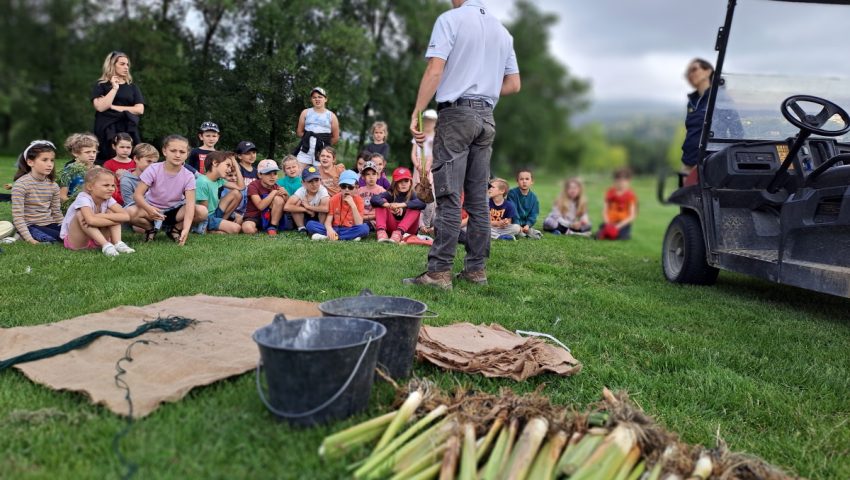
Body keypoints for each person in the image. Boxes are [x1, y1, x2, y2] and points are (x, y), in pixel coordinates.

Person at [406, 0, 521, 289]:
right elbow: (514, 84)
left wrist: (418, 110)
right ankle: (475, 271)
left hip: (457, 115)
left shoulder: (451, 19)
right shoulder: (503, 32)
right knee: (478, 200)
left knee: (447, 194)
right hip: (486, 118)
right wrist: (483, 87)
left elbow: (435, 69)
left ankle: (438, 273)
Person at [132, 135, 206, 245]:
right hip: (152, 209)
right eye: (173, 151)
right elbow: (137, 195)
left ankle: (174, 229)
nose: (177, 155)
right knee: (129, 212)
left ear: (187, 154)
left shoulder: (189, 176)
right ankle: (150, 229)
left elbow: (190, 206)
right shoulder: (153, 169)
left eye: (182, 152)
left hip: (174, 211)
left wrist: (185, 228)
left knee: (202, 211)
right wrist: (149, 209)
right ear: (165, 151)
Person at [60, 167, 134, 256]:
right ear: (90, 187)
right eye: (106, 185)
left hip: (96, 238)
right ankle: (106, 245)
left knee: (112, 212)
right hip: (79, 241)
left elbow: (126, 216)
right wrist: (114, 220)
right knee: (80, 215)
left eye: (113, 185)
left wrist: (101, 216)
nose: (111, 189)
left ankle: (118, 243)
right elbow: (90, 221)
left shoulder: (107, 198)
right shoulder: (83, 198)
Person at [91, 51, 144, 164]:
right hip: (106, 127)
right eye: (122, 64)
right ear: (112, 65)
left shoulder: (132, 87)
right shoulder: (101, 85)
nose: (126, 67)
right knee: (106, 159)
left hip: (127, 126)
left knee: (131, 158)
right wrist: (114, 88)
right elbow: (100, 107)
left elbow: (140, 109)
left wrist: (114, 107)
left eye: (127, 64)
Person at [11, 140, 63, 244]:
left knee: (69, 234)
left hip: (48, 223)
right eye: (44, 160)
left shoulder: (53, 186)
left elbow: (56, 212)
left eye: (52, 160)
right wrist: (30, 240)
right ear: (30, 162)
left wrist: (65, 226)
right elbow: (18, 217)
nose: (50, 164)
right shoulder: (21, 185)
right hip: (30, 225)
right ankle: (22, 235)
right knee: (55, 239)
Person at [307, 170, 369, 241]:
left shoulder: (359, 200)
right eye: (343, 186)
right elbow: (328, 221)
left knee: (364, 228)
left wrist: (353, 205)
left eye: (350, 187)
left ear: (356, 188)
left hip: (350, 228)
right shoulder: (334, 199)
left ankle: (329, 237)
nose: (346, 190)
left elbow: (359, 223)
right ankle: (348, 237)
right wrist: (330, 230)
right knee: (310, 224)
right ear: (339, 187)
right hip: (335, 228)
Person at [373, 167, 426, 244]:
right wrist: (389, 205)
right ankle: (381, 232)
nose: (403, 183)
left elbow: (423, 203)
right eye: (400, 181)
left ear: (410, 182)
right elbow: (374, 199)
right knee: (381, 202)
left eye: (406, 181)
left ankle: (398, 233)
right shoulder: (390, 193)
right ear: (395, 183)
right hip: (392, 227)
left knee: (416, 206)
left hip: (408, 230)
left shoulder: (413, 194)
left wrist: (401, 205)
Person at [195, 151, 244, 235]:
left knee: (237, 193)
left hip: (214, 212)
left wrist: (235, 163)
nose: (229, 170)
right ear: (215, 163)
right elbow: (204, 211)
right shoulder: (202, 182)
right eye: (227, 165)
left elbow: (241, 187)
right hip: (207, 217)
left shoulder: (219, 180)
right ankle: (210, 230)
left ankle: (221, 222)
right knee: (236, 228)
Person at [294, 87, 340, 169]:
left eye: (320, 97)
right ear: (311, 99)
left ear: (325, 99)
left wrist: (324, 144)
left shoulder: (331, 116)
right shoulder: (305, 112)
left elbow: (335, 138)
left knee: (320, 177)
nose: (317, 99)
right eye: (314, 97)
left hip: (322, 150)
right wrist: (309, 139)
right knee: (297, 173)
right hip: (306, 148)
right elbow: (299, 132)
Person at [242, 159, 287, 235]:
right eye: (268, 173)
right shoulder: (253, 185)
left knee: (279, 199)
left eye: (275, 173)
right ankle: (259, 229)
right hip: (254, 216)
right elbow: (260, 206)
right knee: (248, 228)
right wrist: (273, 192)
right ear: (260, 175)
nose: (272, 176)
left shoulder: (277, 186)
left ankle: (273, 227)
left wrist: (286, 195)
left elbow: (286, 206)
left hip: (270, 217)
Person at [121, 143, 158, 225]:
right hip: (138, 210)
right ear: (136, 159)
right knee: (137, 226)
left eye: (154, 163)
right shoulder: (126, 180)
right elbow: (129, 203)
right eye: (148, 161)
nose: (152, 165)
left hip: (157, 209)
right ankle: (151, 229)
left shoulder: (157, 176)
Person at [59, 133, 99, 210]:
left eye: (94, 152)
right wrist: (78, 207)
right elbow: (62, 196)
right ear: (75, 153)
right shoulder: (68, 171)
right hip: (76, 208)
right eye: (87, 152)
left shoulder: (98, 170)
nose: (92, 155)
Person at [285, 165, 330, 233]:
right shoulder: (301, 190)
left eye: (316, 180)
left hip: (318, 217)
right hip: (306, 216)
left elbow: (326, 208)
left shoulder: (322, 190)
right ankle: (301, 228)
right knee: (297, 203)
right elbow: (287, 207)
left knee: (323, 207)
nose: (314, 184)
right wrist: (306, 210)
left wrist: (308, 206)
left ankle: (320, 226)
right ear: (303, 183)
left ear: (320, 180)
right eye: (310, 181)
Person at [597, 167, 637, 241]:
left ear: (629, 181)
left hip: (622, 223)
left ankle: (621, 233)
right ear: (614, 180)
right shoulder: (610, 192)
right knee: (602, 232)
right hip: (610, 221)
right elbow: (604, 210)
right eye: (618, 179)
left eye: (624, 179)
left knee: (621, 236)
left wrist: (618, 226)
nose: (621, 182)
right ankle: (604, 231)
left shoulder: (630, 195)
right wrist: (607, 223)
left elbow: (632, 216)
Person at [507, 169, 541, 239]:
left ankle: (529, 231)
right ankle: (522, 233)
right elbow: (513, 210)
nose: (524, 181)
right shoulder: (512, 193)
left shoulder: (534, 197)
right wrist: (518, 224)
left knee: (536, 237)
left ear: (532, 182)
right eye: (521, 179)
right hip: (514, 223)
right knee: (520, 235)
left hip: (525, 225)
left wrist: (528, 225)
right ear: (517, 181)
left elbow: (534, 214)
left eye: (527, 179)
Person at [103, 133, 135, 204]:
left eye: (128, 147)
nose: (125, 150)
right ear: (114, 146)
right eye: (122, 147)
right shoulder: (108, 164)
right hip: (114, 200)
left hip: (133, 197)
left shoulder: (136, 163)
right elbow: (107, 185)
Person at [411, 109, 438, 186]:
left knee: (430, 185)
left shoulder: (436, 138)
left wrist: (429, 164)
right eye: (426, 121)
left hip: (431, 165)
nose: (428, 123)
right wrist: (417, 165)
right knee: (418, 185)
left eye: (431, 121)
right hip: (419, 164)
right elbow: (413, 153)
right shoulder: (418, 136)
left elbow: (435, 153)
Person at [357, 160, 385, 230]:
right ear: (363, 177)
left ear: (378, 175)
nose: (371, 177)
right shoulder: (359, 191)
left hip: (375, 219)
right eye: (368, 174)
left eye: (373, 174)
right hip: (361, 218)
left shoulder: (381, 191)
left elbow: (384, 210)